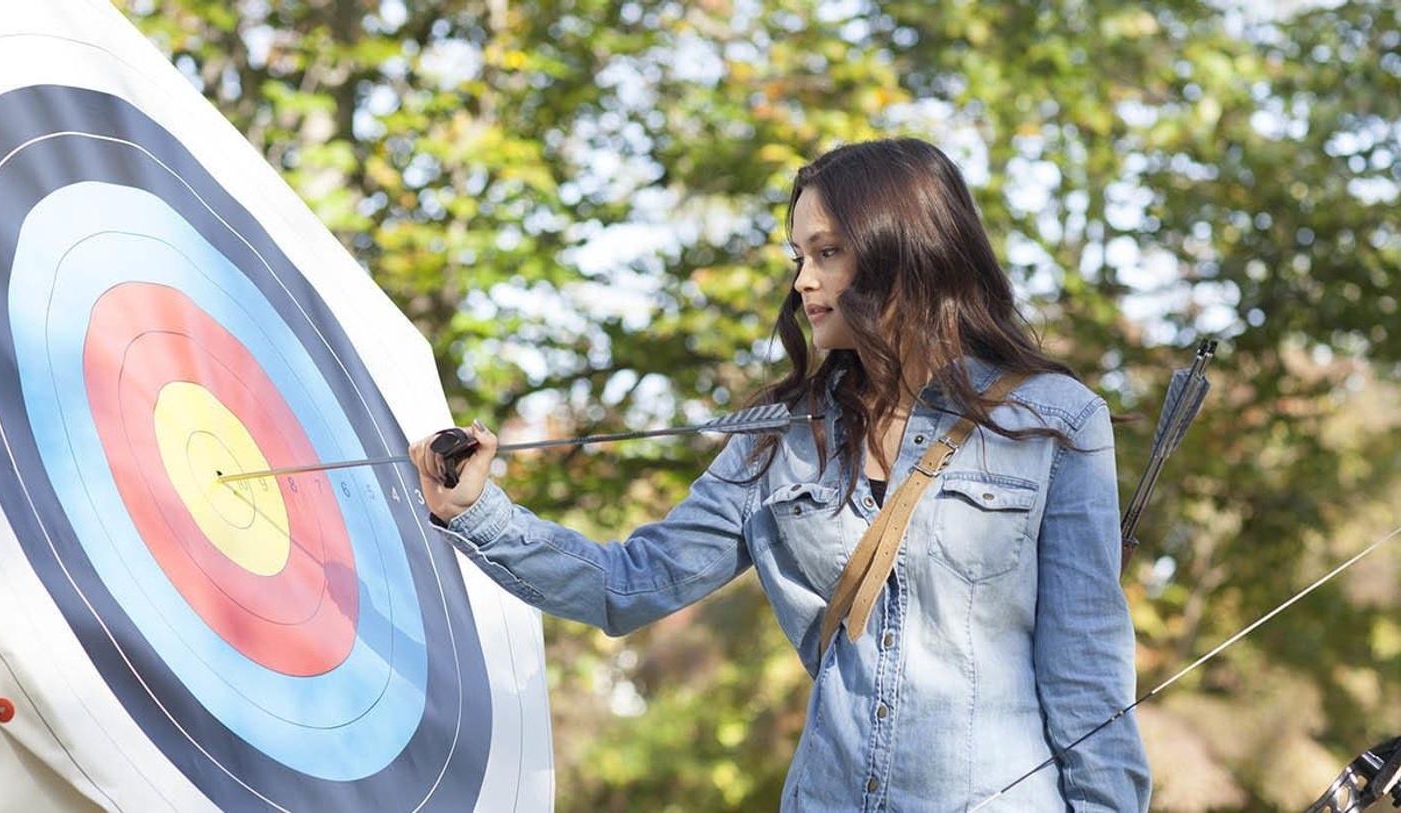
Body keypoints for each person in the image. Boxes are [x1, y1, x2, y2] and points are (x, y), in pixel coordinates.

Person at [408, 137, 1151, 811]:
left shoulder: (1054, 420)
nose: (803, 280)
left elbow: (1086, 673)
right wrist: (479, 511)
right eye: (799, 256)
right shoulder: (779, 437)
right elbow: (625, 585)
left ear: (902, 247)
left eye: (826, 252)